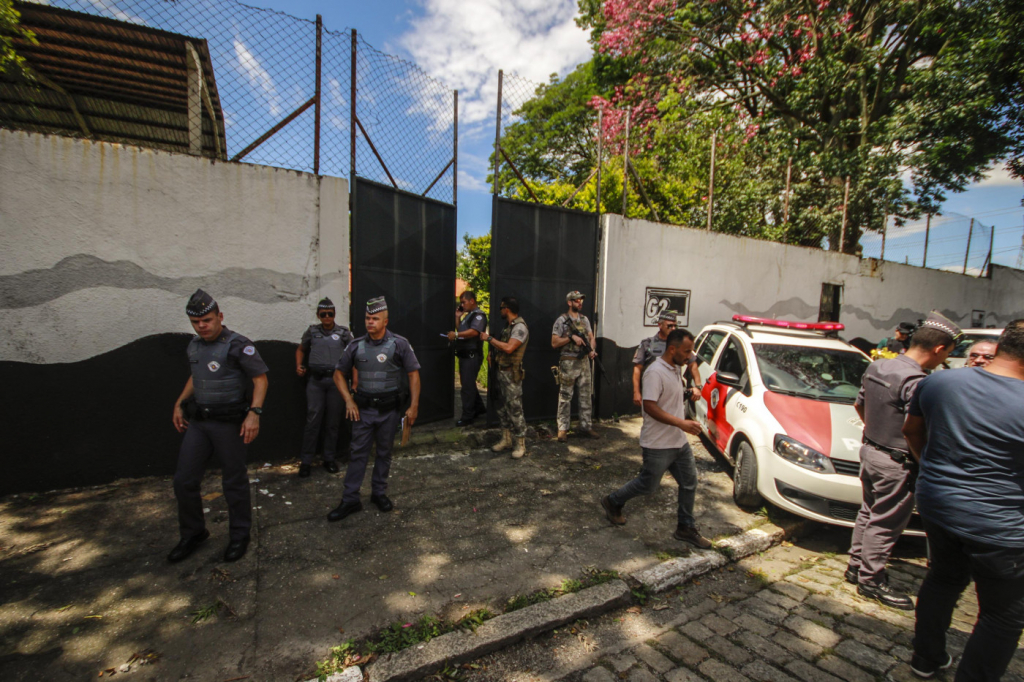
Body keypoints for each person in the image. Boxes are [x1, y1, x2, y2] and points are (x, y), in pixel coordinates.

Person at [903, 320, 1024, 681]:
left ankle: (925, 658)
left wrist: (935, 469)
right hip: (999, 523)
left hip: (940, 505)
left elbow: (911, 430)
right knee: (1003, 615)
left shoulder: (941, 381)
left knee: (942, 579)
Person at [845, 311, 961, 609]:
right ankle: (870, 580)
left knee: (869, 512)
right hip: (897, 460)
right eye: (947, 353)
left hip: (870, 450)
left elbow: (860, 405)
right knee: (885, 522)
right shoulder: (917, 381)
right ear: (938, 349)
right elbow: (914, 429)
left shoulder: (879, 365)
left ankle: (856, 566)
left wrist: (875, 432)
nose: (944, 360)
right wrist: (923, 461)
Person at [168, 289, 268, 563]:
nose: (202, 326)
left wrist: (254, 413)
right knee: (184, 480)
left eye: (207, 321)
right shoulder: (195, 345)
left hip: (229, 425)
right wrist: (179, 402)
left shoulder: (238, 345)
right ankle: (194, 533)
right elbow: (195, 375)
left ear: (220, 317)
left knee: (233, 481)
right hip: (199, 423)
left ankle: (239, 535)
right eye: (196, 323)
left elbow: (260, 379)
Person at [600, 329, 712, 548]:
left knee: (689, 483)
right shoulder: (655, 372)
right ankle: (612, 501)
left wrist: (689, 392)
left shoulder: (675, 369)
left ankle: (685, 527)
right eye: (687, 351)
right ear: (672, 349)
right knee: (648, 485)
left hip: (679, 443)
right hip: (658, 444)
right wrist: (683, 423)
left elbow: (669, 397)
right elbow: (649, 406)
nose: (690, 356)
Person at [327, 297, 420, 522]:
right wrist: (348, 400)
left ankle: (379, 493)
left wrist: (413, 406)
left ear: (385, 321)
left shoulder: (400, 344)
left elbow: (413, 375)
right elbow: (338, 373)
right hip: (363, 410)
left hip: (389, 411)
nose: (370, 322)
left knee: (384, 453)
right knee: (357, 453)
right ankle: (350, 499)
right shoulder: (356, 345)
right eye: (368, 318)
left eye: (375, 319)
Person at [295, 298, 353, 478]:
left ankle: (329, 458)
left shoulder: (343, 333)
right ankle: (306, 461)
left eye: (330, 314)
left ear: (334, 314)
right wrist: (298, 365)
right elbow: (301, 349)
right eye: (323, 314)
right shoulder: (312, 332)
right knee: (313, 419)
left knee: (333, 422)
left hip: (337, 382)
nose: (327, 317)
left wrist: (355, 381)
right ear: (318, 315)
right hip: (316, 381)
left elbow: (354, 354)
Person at [480, 296, 529, 459]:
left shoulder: (519, 327)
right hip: (501, 373)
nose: (500, 311)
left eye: (502, 308)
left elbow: (509, 348)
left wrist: (489, 339)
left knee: (515, 409)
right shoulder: (508, 327)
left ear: (507, 309)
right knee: (501, 408)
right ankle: (507, 439)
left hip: (511, 374)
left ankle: (520, 444)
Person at [551, 290, 599, 442]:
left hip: (584, 361)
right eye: (577, 300)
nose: (580, 303)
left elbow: (591, 337)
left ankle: (586, 426)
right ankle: (563, 428)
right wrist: (570, 338)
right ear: (569, 302)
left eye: (581, 300)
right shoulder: (561, 320)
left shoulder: (584, 320)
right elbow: (554, 342)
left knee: (585, 395)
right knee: (565, 396)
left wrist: (591, 350)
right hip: (568, 361)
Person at [632, 309, 701, 406]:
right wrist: (636, 392)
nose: (673, 328)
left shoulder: (680, 344)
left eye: (675, 326)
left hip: (674, 391)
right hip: (653, 391)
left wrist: (698, 386)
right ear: (660, 325)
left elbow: (692, 364)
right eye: (669, 326)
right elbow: (637, 369)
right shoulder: (648, 344)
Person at [448, 291, 488, 426]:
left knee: (467, 388)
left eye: (464, 302)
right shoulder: (468, 316)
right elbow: (462, 331)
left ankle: (467, 416)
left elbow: (474, 332)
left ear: (472, 301)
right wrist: (457, 317)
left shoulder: (478, 316)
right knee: (468, 384)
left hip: (472, 356)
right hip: (465, 355)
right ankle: (479, 408)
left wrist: (457, 334)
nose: (462, 305)